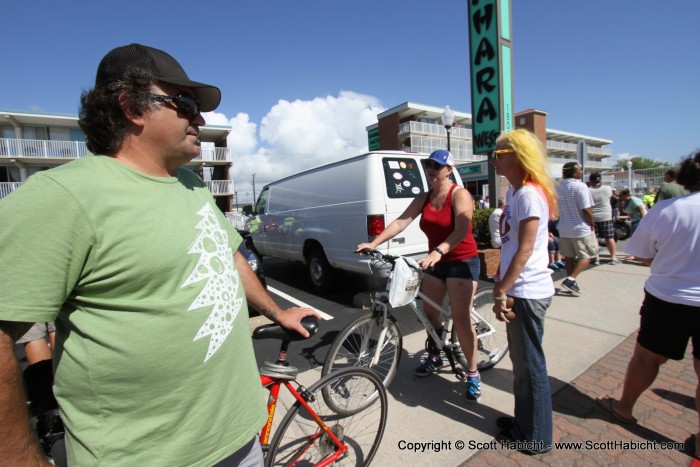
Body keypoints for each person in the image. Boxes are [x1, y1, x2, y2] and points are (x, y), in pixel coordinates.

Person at [0, 43, 318, 466]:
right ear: (131, 107)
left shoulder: (190, 184)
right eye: (185, 104)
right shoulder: (60, 198)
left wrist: (277, 312)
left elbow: (230, 258)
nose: (199, 119)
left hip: (240, 439)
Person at [357, 149, 482, 402]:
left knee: (460, 319)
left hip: (462, 262)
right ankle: (435, 352)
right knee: (429, 313)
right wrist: (375, 243)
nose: (431, 169)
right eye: (428, 165)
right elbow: (401, 221)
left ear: (449, 169)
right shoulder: (424, 197)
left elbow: (462, 228)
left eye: (437, 165)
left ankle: (472, 372)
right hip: (436, 261)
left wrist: (439, 250)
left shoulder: (460, 194)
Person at [597, 150, 700, 455]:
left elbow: (641, 254)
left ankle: (624, 406)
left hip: (669, 296)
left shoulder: (668, 209)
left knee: (647, 357)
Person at [490, 129, 558, 454]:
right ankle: (523, 425)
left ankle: (536, 437)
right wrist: (500, 276)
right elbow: (511, 245)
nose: (494, 160)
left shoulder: (529, 194)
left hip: (528, 291)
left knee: (531, 368)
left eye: (499, 154)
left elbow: (527, 249)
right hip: (518, 286)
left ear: (517, 156)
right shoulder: (514, 194)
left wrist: (502, 289)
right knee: (522, 365)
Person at [555, 162, 597, 296]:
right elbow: (586, 208)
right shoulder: (580, 186)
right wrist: (592, 223)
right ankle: (570, 279)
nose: (582, 172)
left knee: (569, 257)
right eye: (580, 170)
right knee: (588, 256)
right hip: (580, 227)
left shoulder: (558, 187)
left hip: (564, 227)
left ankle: (570, 282)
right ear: (574, 173)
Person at [588, 172, 619, 264]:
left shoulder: (588, 190)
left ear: (590, 181)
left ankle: (596, 258)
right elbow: (612, 197)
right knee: (609, 238)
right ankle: (613, 257)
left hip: (593, 216)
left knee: (595, 239)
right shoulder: (607, 189)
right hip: (606, 216)